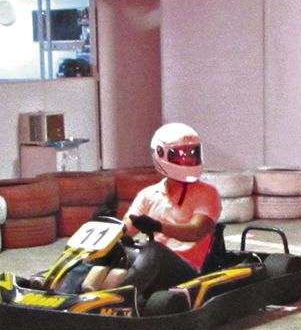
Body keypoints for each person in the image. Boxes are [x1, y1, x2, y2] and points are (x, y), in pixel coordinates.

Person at [86, 122, 220, 297]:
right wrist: (107, 226)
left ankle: (121, 300)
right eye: (180, 154)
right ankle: (68, 290)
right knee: (110, 249)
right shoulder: (148, 195)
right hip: (151, 263)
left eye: (192, 153)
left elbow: (196, 231)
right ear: (160, 154)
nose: (187, 159)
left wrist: (159, 227)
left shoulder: (207, 193)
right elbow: (127, 231)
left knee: (154, 250)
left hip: (188, 270)